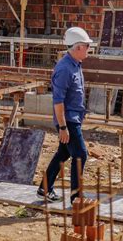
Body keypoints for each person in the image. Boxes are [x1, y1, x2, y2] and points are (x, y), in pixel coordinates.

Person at [37, 27, 92, 203]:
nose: (89, 49)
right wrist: (63, 127)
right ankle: (76, 196)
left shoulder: (75, 64)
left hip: (73, 118)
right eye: (87, 46)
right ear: (77, 47)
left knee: (63, 153)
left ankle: (44, 188)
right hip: (67, 121)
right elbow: (58, 101)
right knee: (80, 154)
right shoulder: (64, 69)